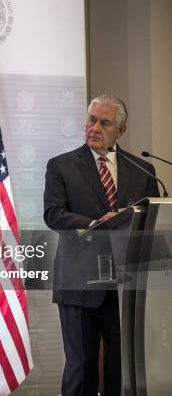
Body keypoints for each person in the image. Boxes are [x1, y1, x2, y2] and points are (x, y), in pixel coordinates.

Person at [43, 94, 160, 395]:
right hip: (78, 279)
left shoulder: (142, 170)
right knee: (81, 365)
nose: (94, 127)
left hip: (124, 283)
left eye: (104, 123)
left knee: (120, 365)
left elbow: (148, 218)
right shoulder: (61, 166)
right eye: (91, 119)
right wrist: (95, 223)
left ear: (120, 131)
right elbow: (53, 215)